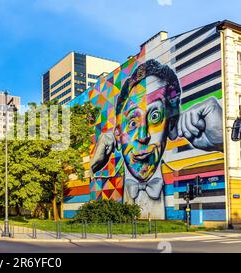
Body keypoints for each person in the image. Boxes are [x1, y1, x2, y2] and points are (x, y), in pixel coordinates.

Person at [90, 59, 223, 218]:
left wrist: (223, 142)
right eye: (132, 122)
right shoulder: (105, 190)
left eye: (155, 116)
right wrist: (92, 166)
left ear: (171, 124)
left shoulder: (182, 177)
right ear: (117, 134)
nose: (143, 136)